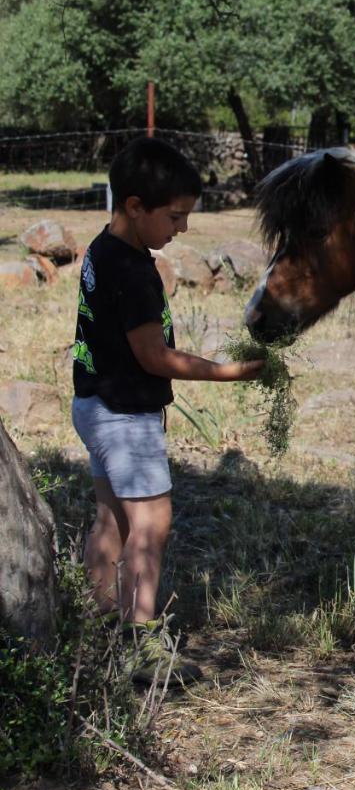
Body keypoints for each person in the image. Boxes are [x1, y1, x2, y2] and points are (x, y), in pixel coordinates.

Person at [70, 137, 263, 684]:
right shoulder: (134, 271)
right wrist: (229, 371)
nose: (181, 229)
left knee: (112, 516)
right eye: (174, 216)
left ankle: (99, 624)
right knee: (152, 522)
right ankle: (142, 645)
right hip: (126, 418)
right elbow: (153, 357)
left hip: (93, 404)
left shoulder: (100, 248)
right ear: (135, 206)